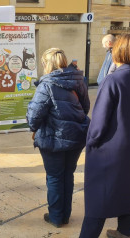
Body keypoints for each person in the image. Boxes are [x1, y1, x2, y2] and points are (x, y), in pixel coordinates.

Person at [80, 33, 130, 238]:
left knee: (99, 195)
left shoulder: (112, 80)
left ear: (117, 51)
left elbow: (98, 123)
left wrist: (91, 143)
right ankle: (123, 232)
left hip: (111, 148)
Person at [26, 48, 90, 228]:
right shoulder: (79, 80)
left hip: (52, 138)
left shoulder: (46, 84)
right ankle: (65, 215)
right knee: (67, 175)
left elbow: (33, 118)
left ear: (47, 64)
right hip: (75, 136)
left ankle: (55, 217)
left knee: (54, 177)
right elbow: (85, 108)